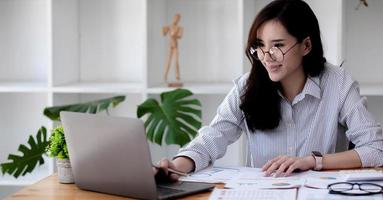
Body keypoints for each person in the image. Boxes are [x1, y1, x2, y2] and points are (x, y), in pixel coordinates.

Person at [155, 0, 383, 180]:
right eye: (260, 46)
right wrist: (176, 167)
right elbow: (210, 140)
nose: (266, 57)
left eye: (278, 46)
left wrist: (313, 161)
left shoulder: (338, 83)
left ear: (306, 45)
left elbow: (376, 149)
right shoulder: (246, 86)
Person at [163, 13, 183, 85]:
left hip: (175, 46)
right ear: (173, 18)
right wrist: (164, 30)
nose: (176, 20)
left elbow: (180, 36)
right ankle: (165, 75)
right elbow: (163, 33)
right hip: (170, 46)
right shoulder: (169, 27)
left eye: (178, 19)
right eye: (175, 18)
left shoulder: (179, 28)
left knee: (176, 61)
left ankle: (177, 76)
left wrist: (175, 35)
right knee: (168, 61)